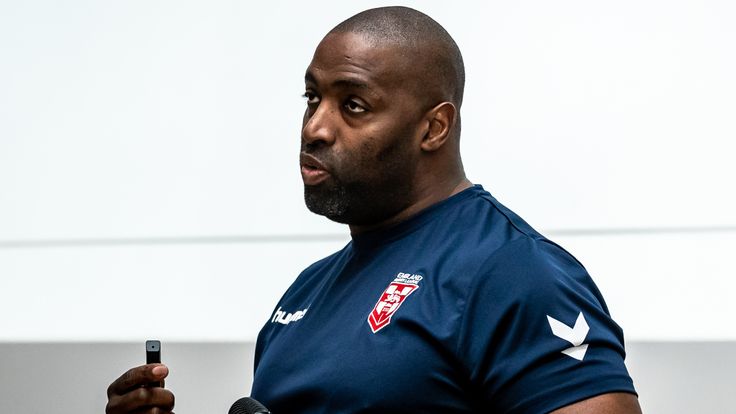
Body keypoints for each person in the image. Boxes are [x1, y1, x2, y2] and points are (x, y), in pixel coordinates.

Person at [106, 6, 641, 414]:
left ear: (433, 128)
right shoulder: (305, 292)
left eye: (353, 105)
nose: (315, 126)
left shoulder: (512, 271)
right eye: (312, 98)